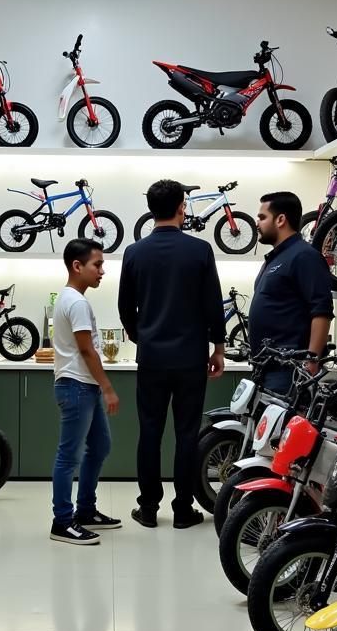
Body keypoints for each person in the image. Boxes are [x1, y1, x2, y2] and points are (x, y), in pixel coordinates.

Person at [118, 179, 225, 529]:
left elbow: (125, 307)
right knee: (187, 434)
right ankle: (183, 509)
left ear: (150, 209)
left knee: (149, 433)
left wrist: (141, 337)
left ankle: (148, 508)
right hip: (191, 357)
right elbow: (213, 303)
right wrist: (218, 346)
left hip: (151, 358)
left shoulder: (134, 252)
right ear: (181, 207)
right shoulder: (200, 250)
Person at [50, 238, 122, 545]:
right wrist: (108, 389)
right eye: (97, 264)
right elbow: (87, 349)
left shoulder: (72, 298)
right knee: (69, 456)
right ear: (77, 266)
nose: (102, 271)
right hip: (77, 386)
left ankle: (86, 510)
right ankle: (62, 521)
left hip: (82, 386)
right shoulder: (76, 302)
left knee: (101, 446)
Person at [248, 191, 334, 394]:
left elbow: (321, 312)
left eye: (262, 217)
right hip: (267, 366)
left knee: (285, 425)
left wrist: (312, 361)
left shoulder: (304, 256)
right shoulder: (277, 257)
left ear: (280, 220)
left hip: (289, 370)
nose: (257, 223)